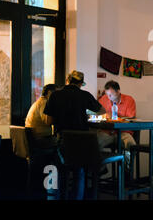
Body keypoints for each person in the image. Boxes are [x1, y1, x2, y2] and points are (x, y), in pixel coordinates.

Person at [44, 70, 106, 200]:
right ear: (81, 84)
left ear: (68, 80)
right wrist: (87, 114)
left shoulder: (55, 95)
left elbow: (48, 121)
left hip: (63, 140)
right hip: (82, 141)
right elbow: (102, 110)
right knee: (79, 171)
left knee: (61, 170)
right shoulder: (85, 95)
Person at [97, 80, 137, 166]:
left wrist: (115, 117)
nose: (108, 97)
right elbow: (97, 116)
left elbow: (131, 118)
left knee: (131, 145)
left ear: (118, 92)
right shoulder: (103, 99)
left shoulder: (129, 100)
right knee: (93, 143)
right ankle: (100, 169)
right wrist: (105, 116)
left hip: (123, 132)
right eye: (107, 94)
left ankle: (126, 172)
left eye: (110, 94)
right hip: (107, 132)